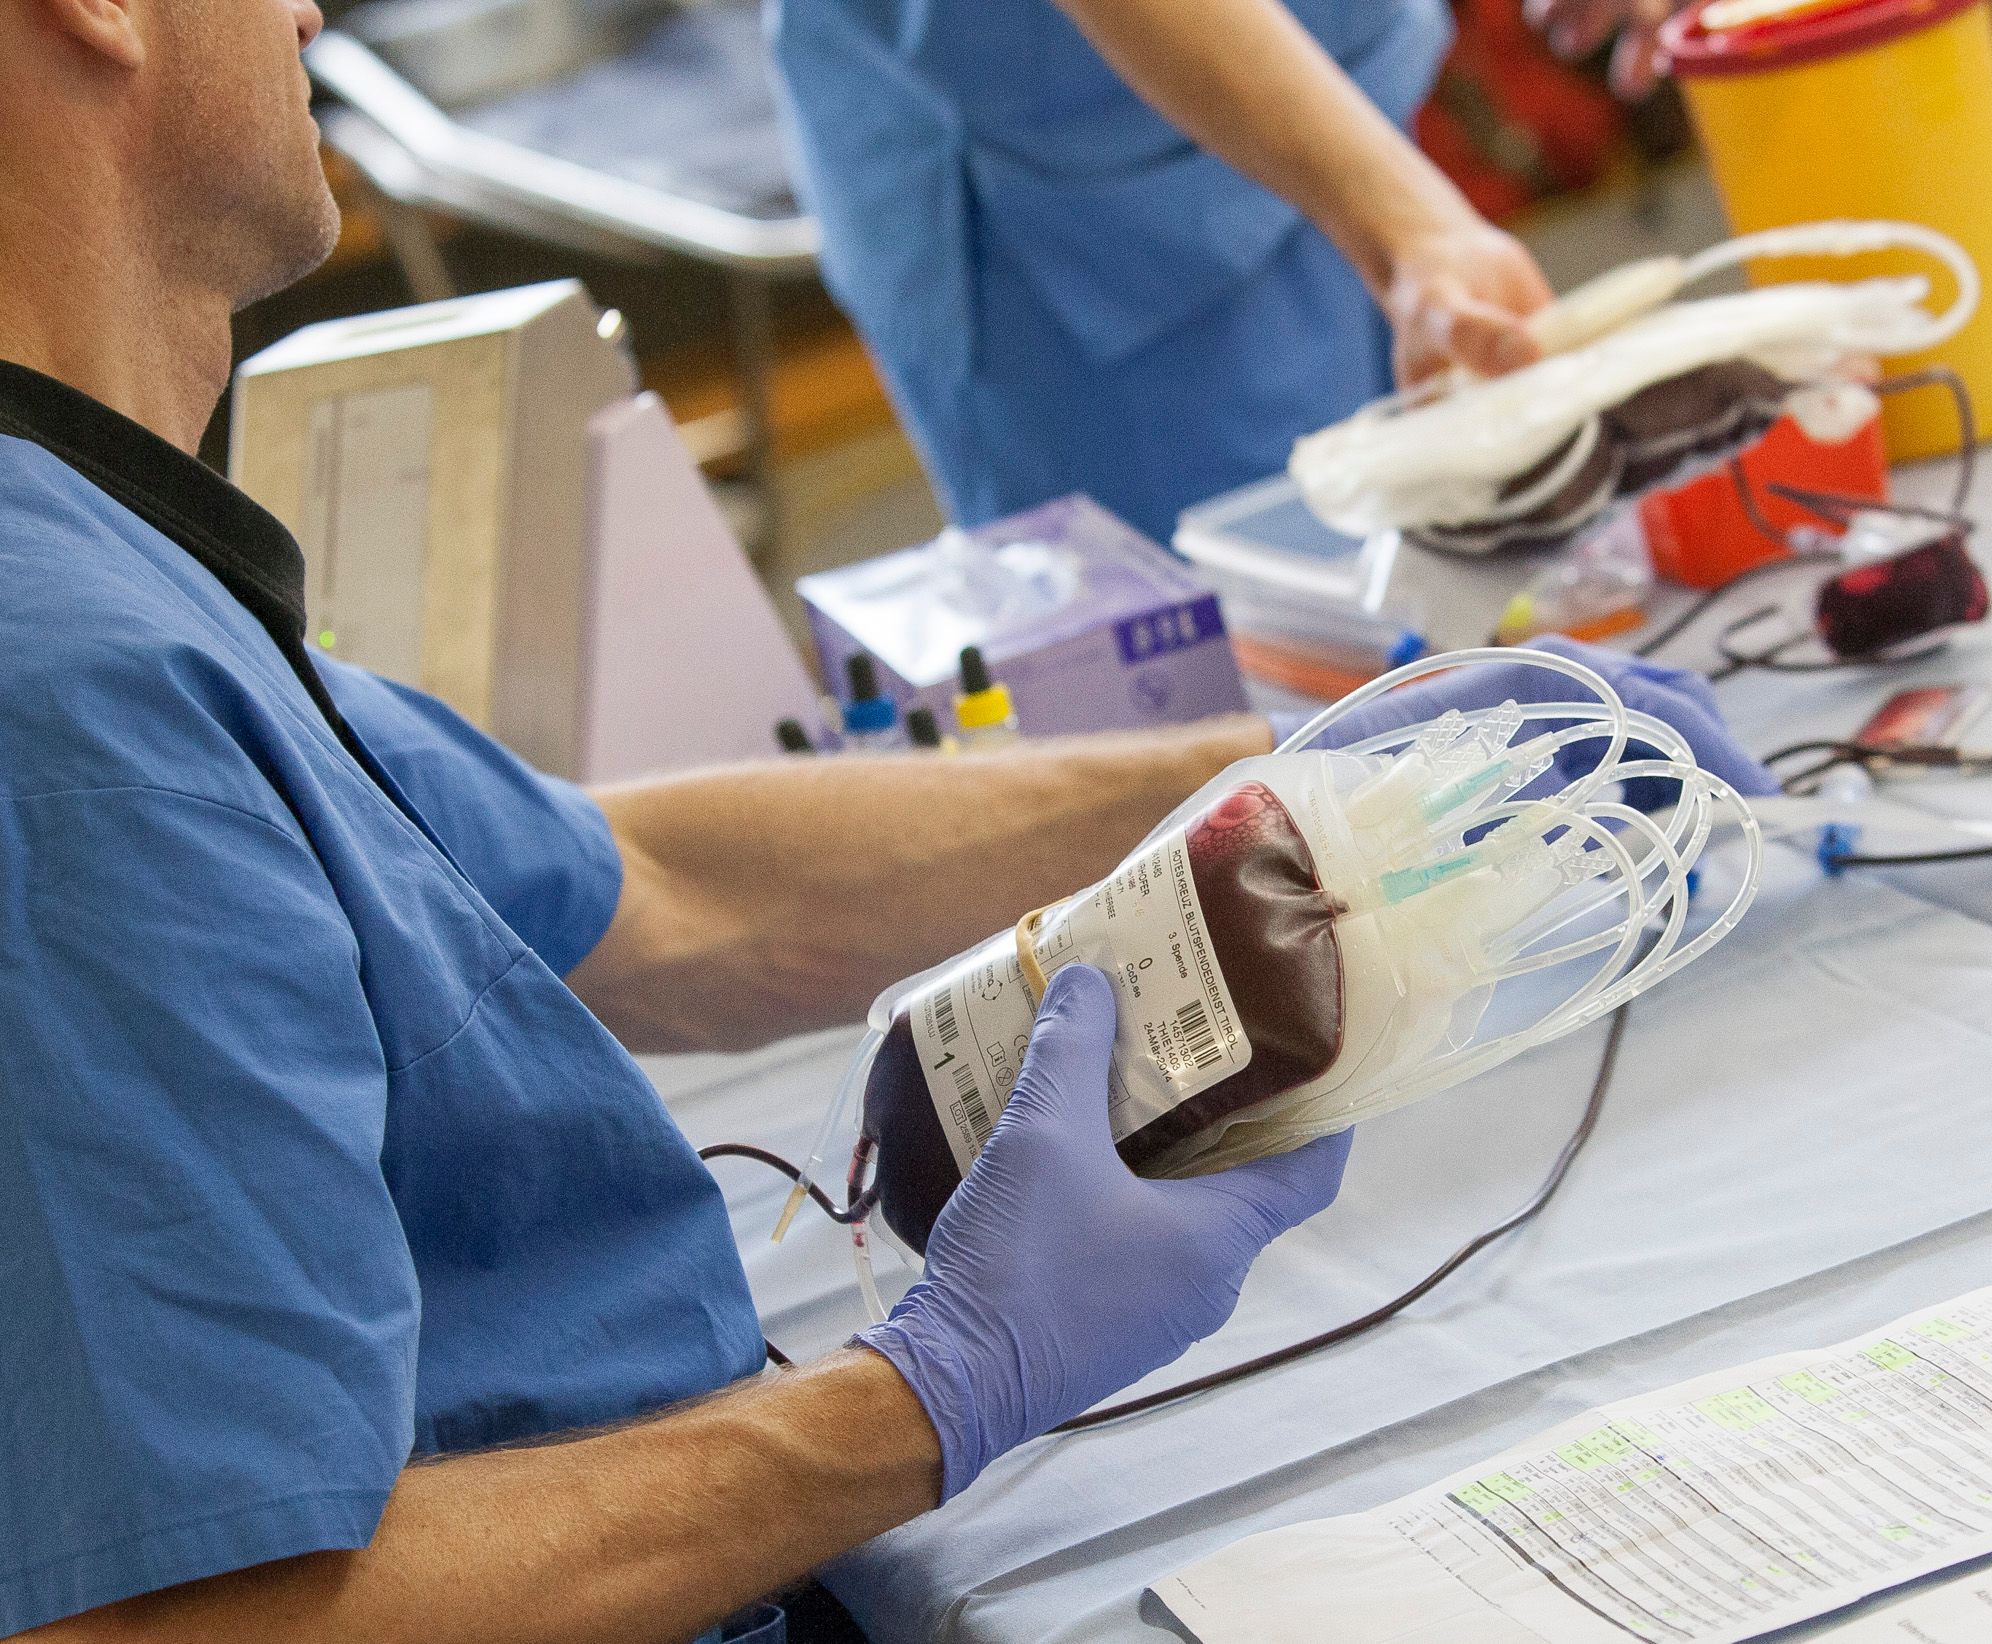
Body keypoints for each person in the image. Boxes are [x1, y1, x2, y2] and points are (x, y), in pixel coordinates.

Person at [0, 1, 1775, 1640]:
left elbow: (666, 889)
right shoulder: (62, 695)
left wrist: (1297, 765)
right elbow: (179, 1618)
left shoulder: (98, 558)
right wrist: (922, 1390)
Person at [769, 0, 1560, 542]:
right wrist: (1408, 225)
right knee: (1262, 713)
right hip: (1075, 214)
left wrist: (1402, 220)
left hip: (1346, 86)